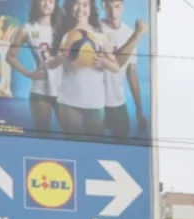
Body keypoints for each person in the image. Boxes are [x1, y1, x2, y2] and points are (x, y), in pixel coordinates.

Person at [54, 0, 110, 137]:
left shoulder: (100, 35)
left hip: (95, 100)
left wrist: (104, 62)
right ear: (70, 7)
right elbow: (50, 64)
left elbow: (116, 67)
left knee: (93, 144)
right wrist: (59, 58)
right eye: (76, 4)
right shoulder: (63, 33)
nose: (80, 9)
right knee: (71, 143)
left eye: (85, 5)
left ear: (90, 9)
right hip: (69, 99)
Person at [6, 0, 62, 133]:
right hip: (40, 90)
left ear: (55, 4)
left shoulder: (63, 28)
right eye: (43, 0)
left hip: (63, 90)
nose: (47, 4)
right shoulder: (27, 29)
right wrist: (30, 74)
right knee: (42, 134)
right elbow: (10, 57)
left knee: (72, 134)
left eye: (51, 1)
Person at [99, 0, 150, 140]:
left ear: (123, 7)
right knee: (91, 146)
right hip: (95, 103)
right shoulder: (96, 29)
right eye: (108, 6)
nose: (113, 11)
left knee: (122, 143)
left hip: (117, 102)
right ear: (103, 6)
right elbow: (116, 63)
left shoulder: (129, 33)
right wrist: (137, 34)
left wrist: (139, 109)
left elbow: (131, 72)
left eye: (117, 6)